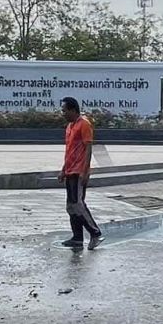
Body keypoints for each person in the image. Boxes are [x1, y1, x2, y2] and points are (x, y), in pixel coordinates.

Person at [59, 96, 102, 249]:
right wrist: (63, 170)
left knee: (78, 204)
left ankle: (95, 233)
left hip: (79, 171)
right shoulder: (70, 126)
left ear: (73, 110)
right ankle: (77, 238)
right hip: (70, 170)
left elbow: (88, 149)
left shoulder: (84, 124)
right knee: (70, 206)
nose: (63, 113)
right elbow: (69, 151)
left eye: (64, 110)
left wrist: (85, 171)